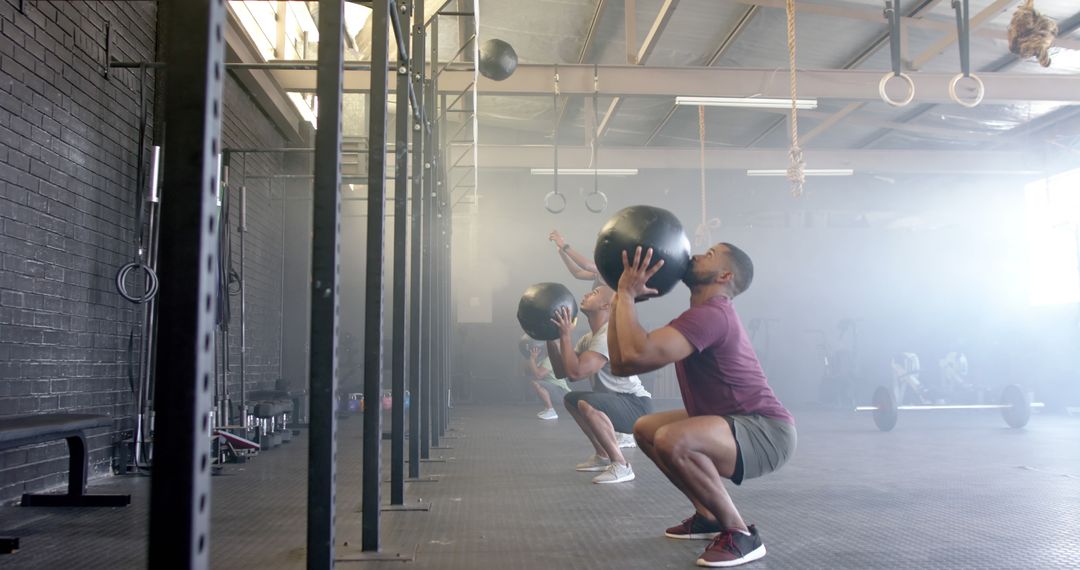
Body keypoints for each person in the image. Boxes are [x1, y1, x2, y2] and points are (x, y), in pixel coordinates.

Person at [608, 244, 796, 568]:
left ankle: (741, 534)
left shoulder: (714, 314)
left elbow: (637, 355)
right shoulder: (700, 315)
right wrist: (620, 298)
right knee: (646, 429)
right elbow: (622, 363)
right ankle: (708, 516)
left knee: (672, 438)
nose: (695, 256)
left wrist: (626, 295)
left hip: (766, 431)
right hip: (732, 421)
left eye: (709, 255)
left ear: (725, 275)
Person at [547, 285, 654, 484]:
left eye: (595, 293)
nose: (587, 294)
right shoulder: (590, 338)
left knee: (588, 403)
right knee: (571, 399)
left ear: (606, 305)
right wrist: (551, 339)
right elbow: (564, 372)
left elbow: (576, 372)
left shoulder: (608, 335)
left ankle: (622, 466)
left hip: (636, 406)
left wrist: (565, 336)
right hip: (618, 402)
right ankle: (602, 455)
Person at [524, 345, 570, 420]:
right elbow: (531, 372)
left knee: (537, 383)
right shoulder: (544, 360)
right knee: (535, 382)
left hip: (562, 392)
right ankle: (548, 409)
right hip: (558, 390)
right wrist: (532, 359)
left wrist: (532, 359)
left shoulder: (550, 359)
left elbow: (538, 375)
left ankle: (550, 411)